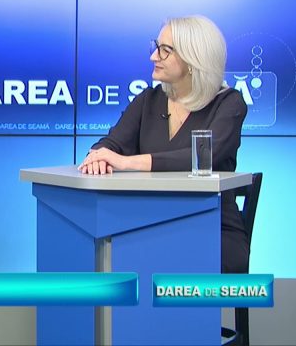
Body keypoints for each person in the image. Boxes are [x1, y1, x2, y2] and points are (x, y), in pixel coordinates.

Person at [77, 15, 249, 273]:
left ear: (193, 59)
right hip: (150, 224)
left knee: (160, 260)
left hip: (213, 227)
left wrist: (127, 163)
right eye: (156, 47)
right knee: (114, 256)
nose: (153, 57)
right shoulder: (148, 100)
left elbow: (204, 157)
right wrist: (99, 156)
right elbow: (111, 143)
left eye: (165, 50)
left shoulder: (229, 103)